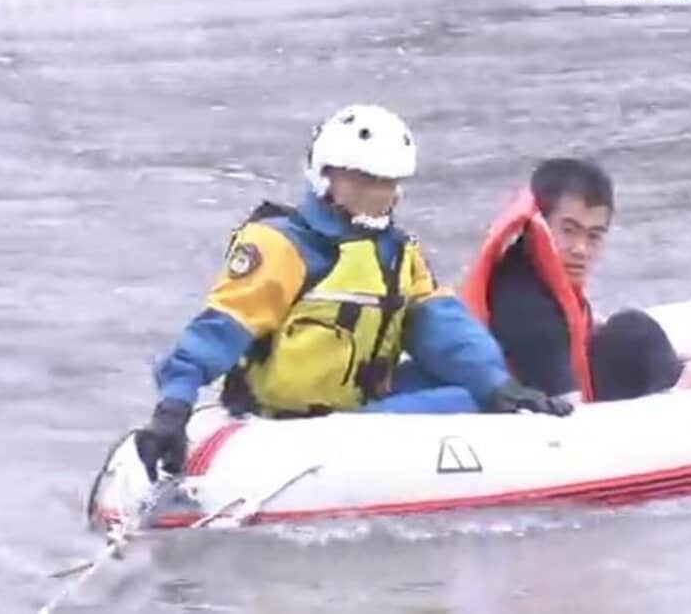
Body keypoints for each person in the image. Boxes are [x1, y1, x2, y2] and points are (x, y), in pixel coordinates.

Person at [135, 105, 572, 481]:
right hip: (286, 426)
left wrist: (500, 386)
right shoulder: (280, 247)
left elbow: (446, 330)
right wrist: (173, 410)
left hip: (360, 409)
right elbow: (217, 333)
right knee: (464, 400)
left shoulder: (400, 254)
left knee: (472, 384)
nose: (377, 195)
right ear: (325, 178)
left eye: (386, 183)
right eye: (362, 181)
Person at [461, 157, 691, 403]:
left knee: (633, 335)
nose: (581, 249)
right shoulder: (528, 309)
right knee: (635, 332)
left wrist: (687, 360)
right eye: (569, 231)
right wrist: (683, 393)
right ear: (539, 225)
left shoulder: (526, 267)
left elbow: (582, 329)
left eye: (594, 236)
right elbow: (573, 422)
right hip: (541, 429)